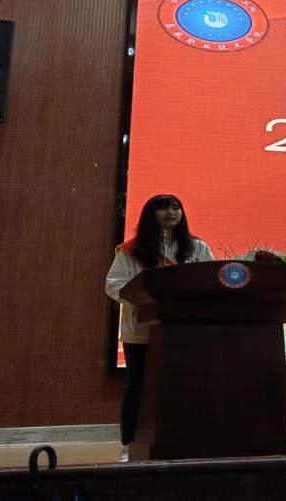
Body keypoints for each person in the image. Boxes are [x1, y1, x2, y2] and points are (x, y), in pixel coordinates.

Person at [104, 194, 214, 460]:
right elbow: (114, 285)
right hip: (142, 332)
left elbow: (210, 280)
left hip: (184, 331)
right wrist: (148, 297)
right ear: (150, 214)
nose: (171, 212)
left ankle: (183, 439)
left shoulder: (197, 247)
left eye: (176, 207)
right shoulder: (131, 251)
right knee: (138, 387)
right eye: (164, 208)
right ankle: (129, 444)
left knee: (184, 385)